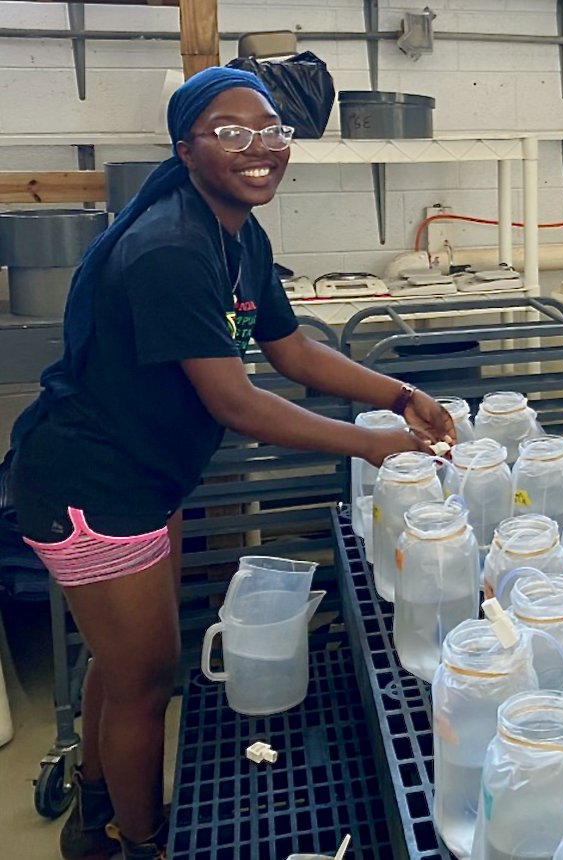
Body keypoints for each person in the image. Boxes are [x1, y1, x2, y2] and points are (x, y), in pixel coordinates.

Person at [4, 67, 454, 860]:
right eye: (232, 131)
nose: (261, 149)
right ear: (186, 148)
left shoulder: (234, 231)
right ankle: (137, 841)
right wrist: (376, 445)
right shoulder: (170, 249)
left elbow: (291, 350)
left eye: (273, 130)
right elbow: (238, 403)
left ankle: (96, 813)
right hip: (92, 485)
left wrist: (398, 392)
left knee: (124, 661)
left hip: (143, 476)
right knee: (147, 680)